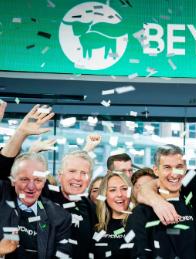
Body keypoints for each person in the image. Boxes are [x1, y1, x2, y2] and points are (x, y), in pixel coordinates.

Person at [0, 105, 97, 259]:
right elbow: (10, 169)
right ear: (59, 175)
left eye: (83, 174)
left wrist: (86, 150)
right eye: (72, 172)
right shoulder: (44, 192)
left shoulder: (85, 208)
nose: (78, 177)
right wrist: (21, 134)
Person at [127, 144, 196, 259]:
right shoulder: (140, 213)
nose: (174, 174)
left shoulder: (194, 205)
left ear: (185, 169)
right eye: (167, 167)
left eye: (179, 166)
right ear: (156, 170)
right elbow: (138, 254)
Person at [0, 152, 71, 258]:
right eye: (25, 179)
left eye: (38, 180)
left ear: (44, 182)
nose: (31, 187)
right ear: (13, 180)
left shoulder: (60, 217)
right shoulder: (2, 202)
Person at [92, 172, 134, 259]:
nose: (119, 194)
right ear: (105, 195)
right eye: (112, 190)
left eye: (124, 189)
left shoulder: (138, 224)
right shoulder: (96, 227)